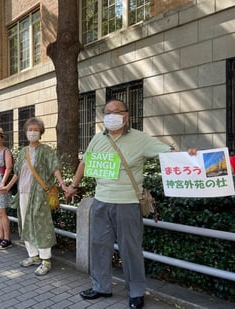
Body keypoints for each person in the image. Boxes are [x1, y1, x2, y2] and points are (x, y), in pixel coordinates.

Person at [65, 99, 175, 309]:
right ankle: (101, 287)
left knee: (130, 249)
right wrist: (73, 186)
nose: (111, 115)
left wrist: (190, 156)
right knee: (99, 246)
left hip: (128, 203)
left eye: (116, 111)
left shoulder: (140, 139)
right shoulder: (98, 138)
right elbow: (84, 162)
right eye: (107, 112)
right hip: (101, 202)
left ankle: (136, 292)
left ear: (126, 115)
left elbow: (168, 152)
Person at [0, 117, 67, 276]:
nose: (32, 132)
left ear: (41, 133)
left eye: (36, 130)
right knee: (25, 223)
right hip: (23, 193)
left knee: (40, 225)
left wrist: (62, 183)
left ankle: (46, 260)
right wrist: (8, 187)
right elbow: (17, 173)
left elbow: (55, 167)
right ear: (25, 132)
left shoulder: (46, 150)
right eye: (29, 130)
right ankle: (33, 255)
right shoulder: (23, 152)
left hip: (39, 194)